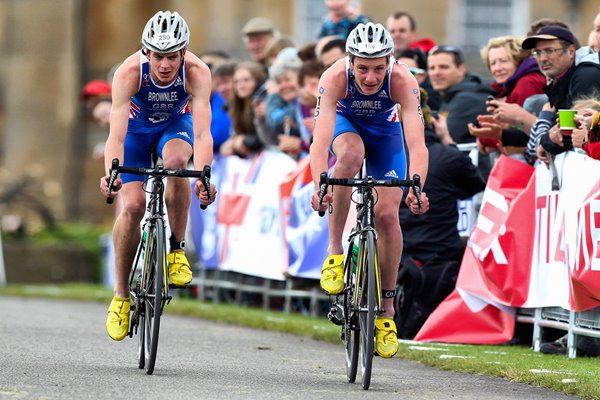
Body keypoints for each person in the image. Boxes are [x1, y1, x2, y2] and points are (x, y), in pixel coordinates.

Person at [310, 22, 429, 358]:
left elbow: (417, 143)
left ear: (390, 61)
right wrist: (320, 182)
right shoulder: (334, 77)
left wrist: (417, 186)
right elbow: (320, 141)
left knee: (387, 215)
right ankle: (335, 252)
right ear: (350, 62)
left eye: (379, 68)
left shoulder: (402, 79)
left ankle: (387, 312)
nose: (371, 78)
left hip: (386, 137)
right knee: (349, 156)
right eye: (362, 68)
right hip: (346, 130)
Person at [99, 11, 217, 341]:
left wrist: (205, 176)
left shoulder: (196, 72)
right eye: (158, 56)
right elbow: (116, 135)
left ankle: (176, 249)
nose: (165, 65)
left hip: (173, 128)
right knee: (133, 206)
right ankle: (121, 295)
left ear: (184, 52)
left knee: (178, 162)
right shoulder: (128, 73)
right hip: (135, 134)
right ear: (146, 52)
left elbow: (203, 132)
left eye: (172, 57)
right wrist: (113, 173)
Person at [396, 88, 486, 339]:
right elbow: (476, 185)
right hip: (440, 249)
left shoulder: (390, 157)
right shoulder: (450, 157)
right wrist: (449, 141)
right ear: (432, 122)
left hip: (399, 248)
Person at [521, 25, 600, 158]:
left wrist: (546, 142)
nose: (542, 58)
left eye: (549, 51)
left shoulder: (585, 75)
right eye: (538, 53)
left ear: (571, 51)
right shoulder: (560, 83)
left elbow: (573, 133)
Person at [467, 36, 546, 162]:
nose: (497, 68)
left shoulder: (526, 84)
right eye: (492, 63)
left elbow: (521, 129)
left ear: (518, 60)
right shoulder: (513, 86)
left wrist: (486, 138)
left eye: (503, 61)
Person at [220, 61, 267, 158]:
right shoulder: (235, 105)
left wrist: (244, 141)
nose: (241, 85)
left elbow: (264, 138)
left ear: (257, 82)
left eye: (246, 80)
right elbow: (236, 137)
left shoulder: (262, 102)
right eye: (236, 82)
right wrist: (235, 143)